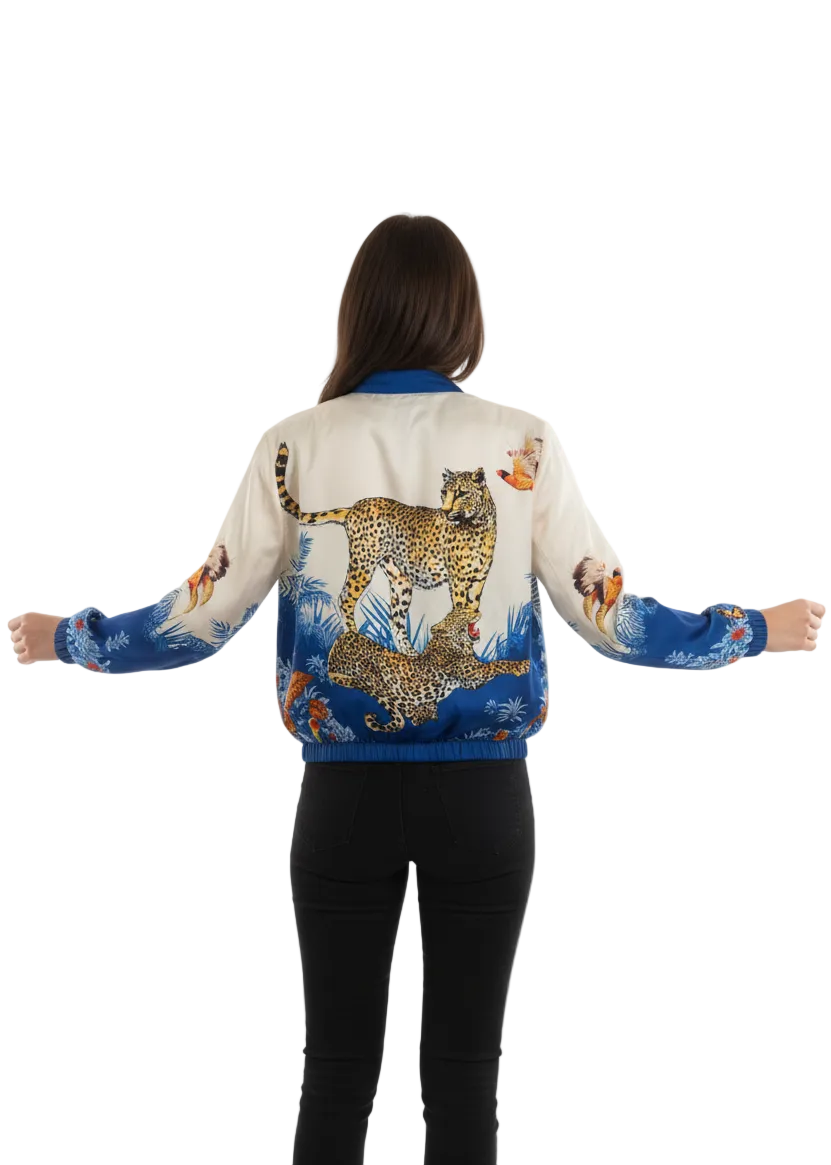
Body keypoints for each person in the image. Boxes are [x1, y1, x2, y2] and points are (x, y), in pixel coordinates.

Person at [8, 214, 824, 1165]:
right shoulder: (519, 441)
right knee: (465, 1087)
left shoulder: (297, 441)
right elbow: (610, 616)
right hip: (484, 798)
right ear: (460, 314)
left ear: (357, 312)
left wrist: (73, 638)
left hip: (342, 798)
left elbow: (204, 612)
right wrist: (749, 629)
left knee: (334, 1079)